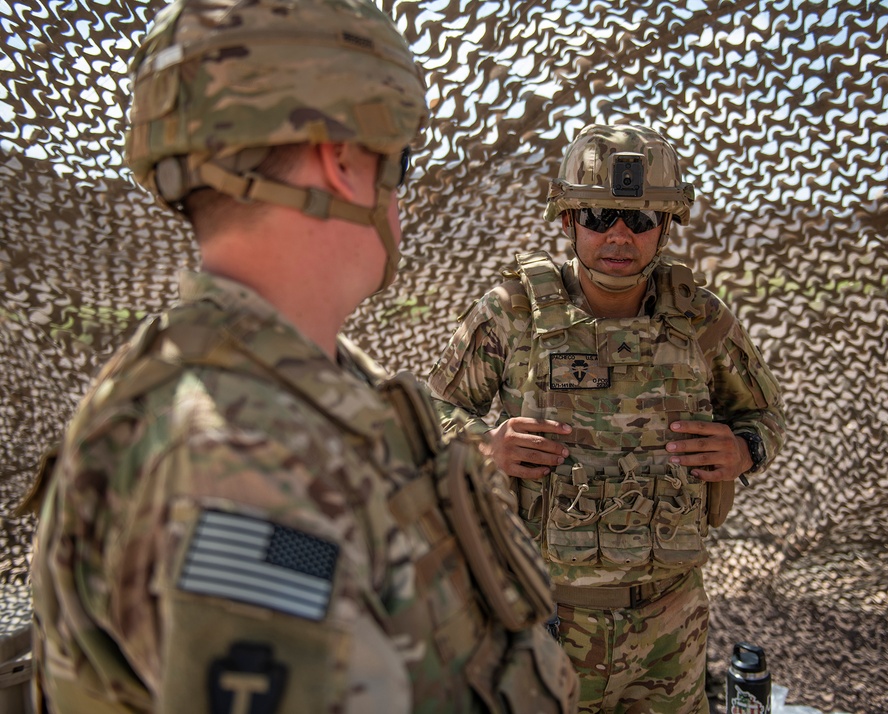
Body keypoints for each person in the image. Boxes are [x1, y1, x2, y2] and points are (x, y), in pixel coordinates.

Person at [27, 1, 579, 712]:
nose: (401, 201)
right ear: (342, 157)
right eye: (400, 162)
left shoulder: (311, 383)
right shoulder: (235, 463)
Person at [428, 123, 786, 713]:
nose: (619, 235)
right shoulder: (513, 312)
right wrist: (485, 446)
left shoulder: (700, 320)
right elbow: (432, 410)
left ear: (666, 228)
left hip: (669, 625)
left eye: (641, 220)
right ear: (568, 221)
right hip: (544, 616)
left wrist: (745, 449)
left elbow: (764, 413)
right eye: (597, 216)